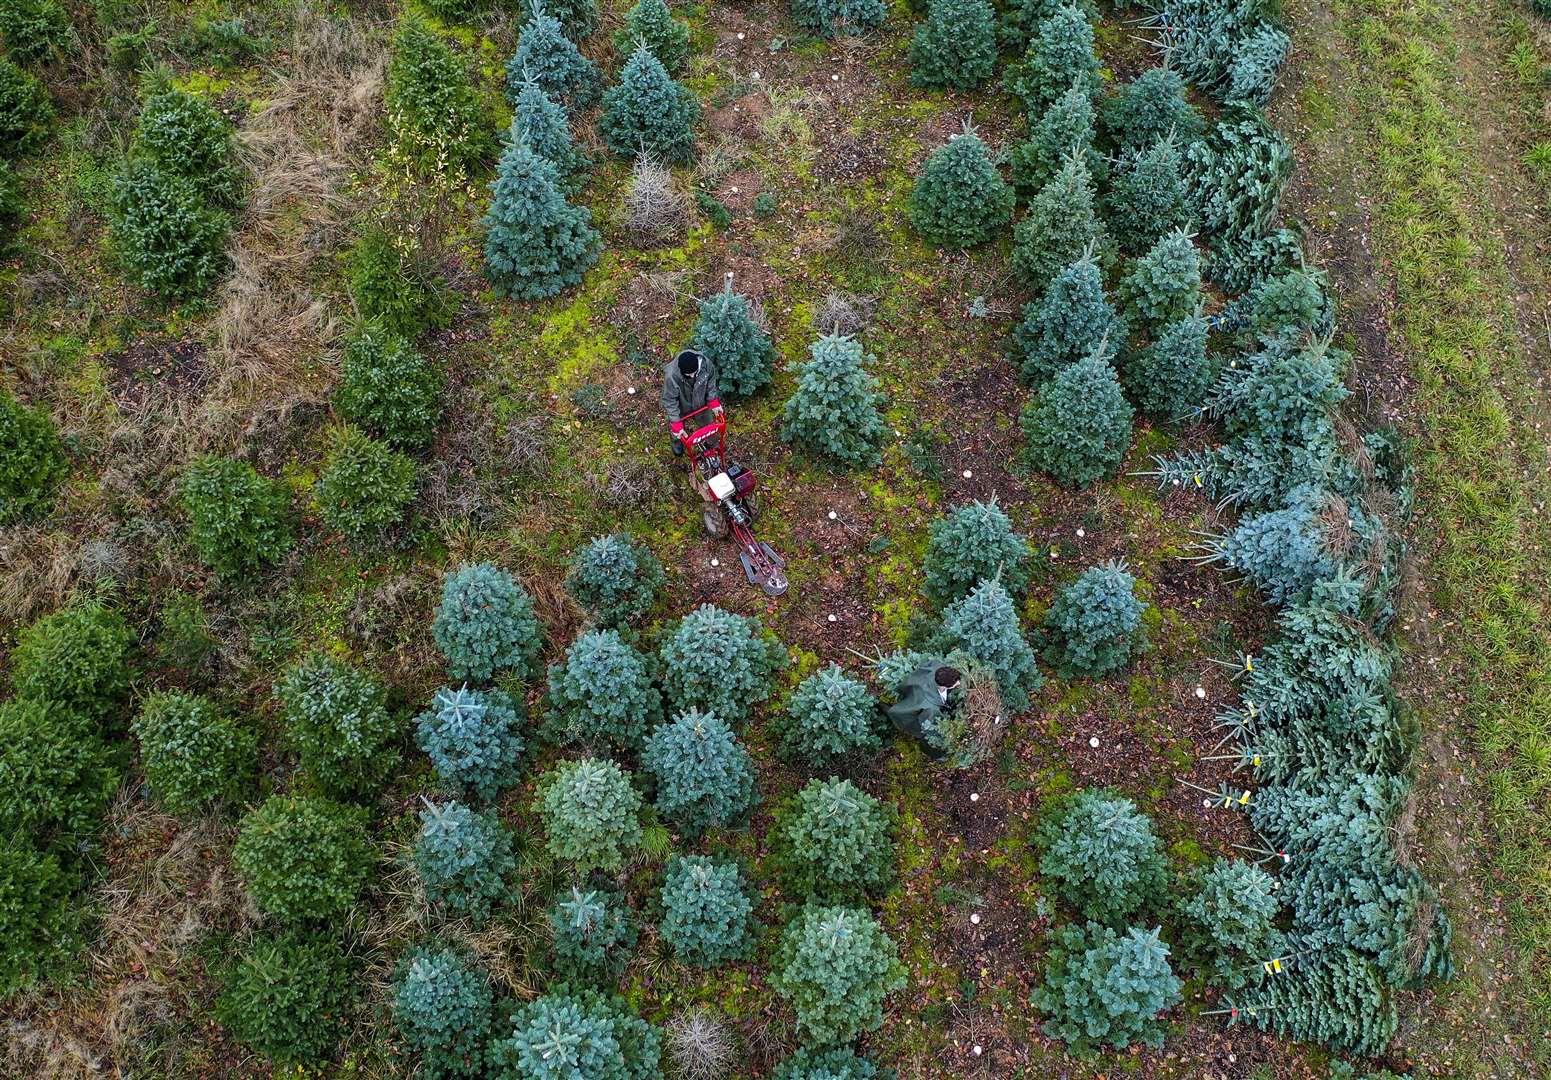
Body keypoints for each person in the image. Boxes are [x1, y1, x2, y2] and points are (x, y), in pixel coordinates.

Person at [885, 664, 962, 760]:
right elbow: (928, 728)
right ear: (944, 687)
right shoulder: (931, 708)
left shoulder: (937, 667)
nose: (959, 683)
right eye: (955, 684)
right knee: (925, 736)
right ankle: (937, 756)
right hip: (913, 715)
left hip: (914, 694)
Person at [660, 348, 722, 456]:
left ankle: (712, 442)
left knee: (708, 423)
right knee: (677, 429)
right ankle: (677, 441)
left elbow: (711, 382)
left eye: (694, 373)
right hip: (681, 404)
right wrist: (676, 423)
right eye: (688, 375)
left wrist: (713, 401)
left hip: (700, 402)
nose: (692, 376)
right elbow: (669, 400)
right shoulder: (671, 376)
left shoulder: (706, 365)